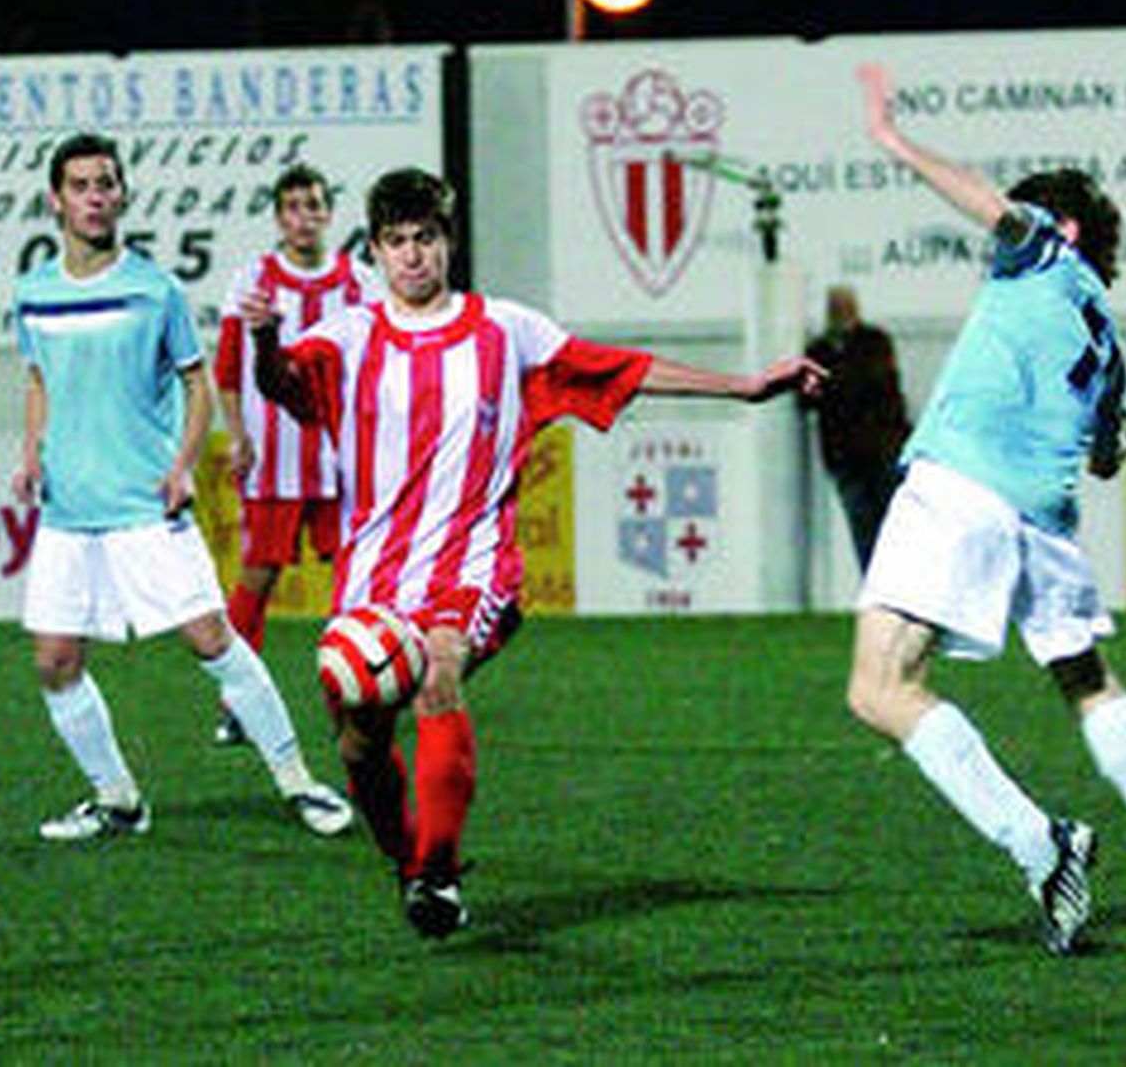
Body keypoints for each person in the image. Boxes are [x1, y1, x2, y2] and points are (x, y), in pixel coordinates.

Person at [245, 166, 828, 938]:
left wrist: (744, 385)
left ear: (449, 242)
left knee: (439, 671)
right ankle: (410, 862)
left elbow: (621, 369)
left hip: (473, 563)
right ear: (376, 252)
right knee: (359, 736)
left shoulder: (508, 331)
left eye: (426, 238)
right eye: (396, 242)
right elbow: (283, 384)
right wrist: (264, 339)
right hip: (373, 578)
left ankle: (439, 875)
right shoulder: (348, 337)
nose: (413, 256)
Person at [846, 65, 1126, 954]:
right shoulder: (1108, 339)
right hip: (1046, 522)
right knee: (1089, 680)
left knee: (880, 689)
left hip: (963, 491)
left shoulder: (1044, 256)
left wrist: (892, 140)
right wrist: (1118, 439)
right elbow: (1105, 458)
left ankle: (1042, 844)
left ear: (1062, 227)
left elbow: (986, 204)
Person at [10, 132, 354, 842]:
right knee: (55, 660)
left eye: (106, 184)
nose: (95, 197)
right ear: (56, 201)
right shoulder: (33, 293)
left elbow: (196, 383)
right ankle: (117, 799)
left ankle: (298, 780)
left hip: (144, 503)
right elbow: (39, 378)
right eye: (80, 185)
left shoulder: (154, 288)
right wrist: (30, 454)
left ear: (122, 196)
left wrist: (183, 464)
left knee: (211, 639)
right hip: (68, 510)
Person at [211, 163, 381, 747]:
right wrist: (238, 435)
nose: (304, 217)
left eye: (314, 205)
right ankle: (237, 701)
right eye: (293, 207)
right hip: (274, 457)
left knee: (356, 580)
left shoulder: (361, 282)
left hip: (342, 459)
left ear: (328, 213)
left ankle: (359, 690)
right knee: (257, 578)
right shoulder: (252, 280)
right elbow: (229, 368)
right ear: (279, 217)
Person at [800, 284, 911, 570]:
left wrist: (831, 386)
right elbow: (807, 399)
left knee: (894, 530)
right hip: (846, 458)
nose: (840, 312)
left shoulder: (874, 342)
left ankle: (897, 587)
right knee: (863, 532)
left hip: (882, 452)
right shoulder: (818, 351)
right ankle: (877, 588)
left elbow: (872, 384)